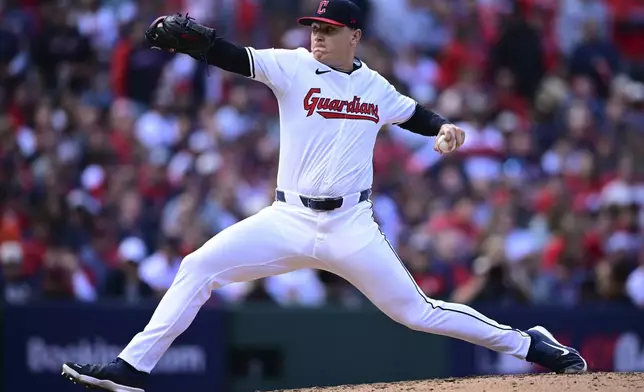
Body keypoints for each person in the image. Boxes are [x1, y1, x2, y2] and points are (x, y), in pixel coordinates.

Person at [61, 1, 587, 390]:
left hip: (351, 226)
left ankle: (529, 342)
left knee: (418, 312)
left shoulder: (375, 87)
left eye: (328, 28)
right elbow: (231, 55)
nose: (316, 34)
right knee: (198, 266)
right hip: (286, 217)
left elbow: (415, 114)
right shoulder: (292, 66)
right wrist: (193, 42)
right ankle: (130, 369)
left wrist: (443, 128)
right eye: (313, 26)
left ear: (353, 36)